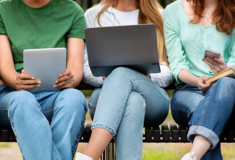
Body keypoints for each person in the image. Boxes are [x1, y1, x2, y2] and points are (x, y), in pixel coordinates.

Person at [74, 0, 173, 159]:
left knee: (121, 73)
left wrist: (144, 76)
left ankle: (89, 155)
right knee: (133, 99)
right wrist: (109, 77)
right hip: (104, 101)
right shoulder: (93, 15)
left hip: (153, 101)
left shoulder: (161, 17)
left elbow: (171, 70)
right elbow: (86, 69)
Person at [0, 0, 88, 159]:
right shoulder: (2, 9)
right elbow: (5, 65)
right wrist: (17, 80)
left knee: (74, 98)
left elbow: (76, 65)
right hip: (14, 96)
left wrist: (71, 78)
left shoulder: (73, 10)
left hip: (56, 95)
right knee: (23, 99)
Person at [164, 0, 235, 159]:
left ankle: (193, 155)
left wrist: (224, 70)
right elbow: (177, 64)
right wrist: (197, 80)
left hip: (229, 92)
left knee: (224, 85)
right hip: (189, 90)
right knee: (203, 109)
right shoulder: (173, 11)